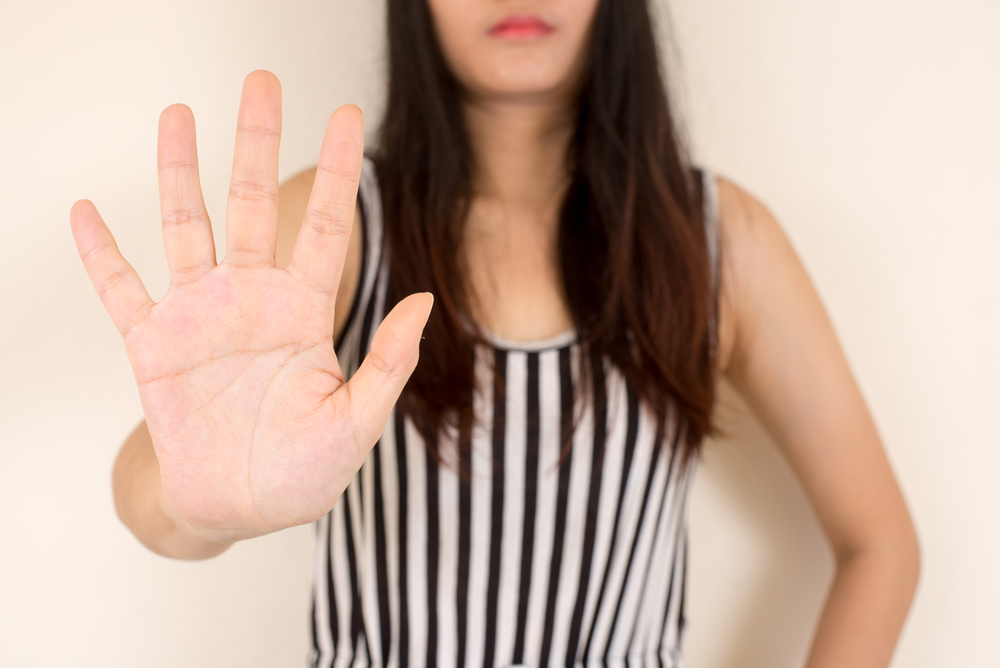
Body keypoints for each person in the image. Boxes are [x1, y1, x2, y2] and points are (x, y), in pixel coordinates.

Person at [69, 0, 919, 666]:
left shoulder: (720, 242)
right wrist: (198, 502)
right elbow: (151, 495)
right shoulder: (334, 230)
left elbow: (881, 544)